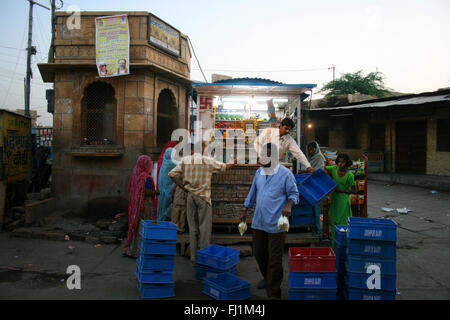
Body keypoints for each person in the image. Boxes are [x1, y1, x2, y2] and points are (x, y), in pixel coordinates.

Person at [240, 143, 299, 299]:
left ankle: (274, 292)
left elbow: (294, 194)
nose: (261, 158)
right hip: (259, 221)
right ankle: (268, 278)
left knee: (274, 259)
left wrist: (288, 205)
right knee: (259, 253)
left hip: (276, 223)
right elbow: (253, 192)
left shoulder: (285, 174)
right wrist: (245, 208)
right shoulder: (259, 172)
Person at [168, 141, 235, 265]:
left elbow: (171, 174)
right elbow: (225, 167)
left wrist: (183, 187)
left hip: (190, 196)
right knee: (204, 229)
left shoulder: (185, 160)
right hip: (203, 197)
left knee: (193, 229)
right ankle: (204, 259)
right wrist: (234, 161)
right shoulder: (207, 161)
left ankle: (194, 258)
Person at [123, 155, 159, 258]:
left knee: (136, 226)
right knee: (145, 227)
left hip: (135, 205)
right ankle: (140, 251)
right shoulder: (146, 177)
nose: (150, 165)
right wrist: (156, 192)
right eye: (149, 163)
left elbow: (131, 188)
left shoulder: (135, 174)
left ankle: (131, 249)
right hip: (145, 205)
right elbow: (146, 192)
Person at [323, 153, 356, 246]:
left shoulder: (350, 175)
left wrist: (340, 190)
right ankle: (334, 246)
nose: (340, 164)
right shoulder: (334, 169)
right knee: (333, 223)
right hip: (335, 201)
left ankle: (343, 246)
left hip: (343, 202)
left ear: (347, 163)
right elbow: (323, 168)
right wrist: (328, 176)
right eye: (339, 162)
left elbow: (354, 190)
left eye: (343, 162)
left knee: (343, 224)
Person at [306, 141, 326, 235]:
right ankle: (314, 229)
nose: (310, 151)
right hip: (311, 184)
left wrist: (308, 171)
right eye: (309, 149)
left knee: (317, 209)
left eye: (312, 149)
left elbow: (320, 171)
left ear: (316, 149)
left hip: (318, 185)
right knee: (313, 208)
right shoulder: (311, 158)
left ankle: (318, 230)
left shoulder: (319, 157)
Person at [157, 148, 178, 221]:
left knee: (162, 208)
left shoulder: (164, 162)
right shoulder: (172, 163)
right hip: (169, 191)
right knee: (168, 210)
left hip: (163, 190)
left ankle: (160, 223)